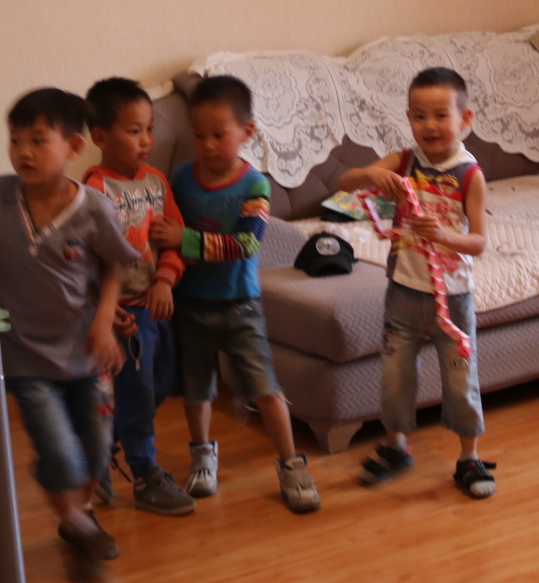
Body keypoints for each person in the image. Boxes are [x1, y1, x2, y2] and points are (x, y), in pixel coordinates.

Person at [0, 87, 139, 568]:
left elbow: (115, 267)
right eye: (16, 140)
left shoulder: (94, 208)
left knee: (96, 450)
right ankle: (77, 522)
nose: (24, 152)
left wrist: (104, 323)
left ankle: (78, 514)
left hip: (87, 354)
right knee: (58, 449)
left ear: (73, 146)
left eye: (38, 140)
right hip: (25, 356)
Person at [148, 74, 321, 514]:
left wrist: (186, 239)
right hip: (190, 303)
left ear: (247, 131)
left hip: (239, 305)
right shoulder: (182, 178)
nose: (207, 145)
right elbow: (166, 228)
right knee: (197, 389)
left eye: (219, 135)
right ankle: (202, 455)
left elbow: (246, 244)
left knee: (264, 388)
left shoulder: (255, 186)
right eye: (199, 135)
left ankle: (291, 464)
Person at [338, 66, 496, 499]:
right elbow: (345, 185)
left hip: (453, 301)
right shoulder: (404, 162)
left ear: (464, 119)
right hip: (404, 294)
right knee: (395, 379)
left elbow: (479, 242)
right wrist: (372, 175)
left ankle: (469, 458)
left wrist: (444, 236)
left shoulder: (470, 176)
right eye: (420, 116)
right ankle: (396, 447)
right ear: (409, 118)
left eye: (441, 115)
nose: (430, 125)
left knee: (461, 383)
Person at [82, 77, 196, 517]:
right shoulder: (95, 191)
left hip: (156, 307)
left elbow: (174, 240)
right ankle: (145, 473)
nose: (146, 140)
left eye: (149, 129)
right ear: (100, 137)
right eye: (134, 131)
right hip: (123, 316)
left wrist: (165, 279)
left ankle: (100, 447)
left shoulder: (157, 182)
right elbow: (84, 261)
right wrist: (105, 310)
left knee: (163, 381)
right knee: (137, 395)